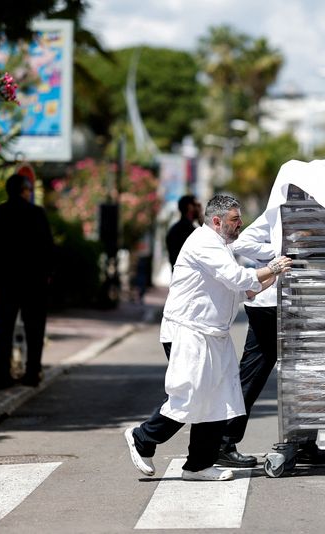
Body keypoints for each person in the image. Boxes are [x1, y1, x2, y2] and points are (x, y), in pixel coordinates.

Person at [124, 195, 291, 482]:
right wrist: (271, 269)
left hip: (213, 334)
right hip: (189, 331)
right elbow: (237, 278)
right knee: (189, 395)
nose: (240, 225)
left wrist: (263, 281)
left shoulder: (220, 247)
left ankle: (199, 465)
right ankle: (143, 437)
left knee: (221, 398)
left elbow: (235, 290)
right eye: (235, 220)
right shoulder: (202, 242)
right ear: (217, 221)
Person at [216, 211, 325, 468]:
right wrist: (286, 249)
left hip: (302, 304)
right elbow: (242, 243)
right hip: (269, 305)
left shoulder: (324, 218)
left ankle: (303, 442)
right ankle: (223, 441)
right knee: (254, 372)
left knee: (305, 375)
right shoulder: (279, 211)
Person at [0, 173, 54, 388]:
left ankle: (2, 375)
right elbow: (48, 249)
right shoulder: (37, 214)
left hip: (3, 282)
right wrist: (48, 275)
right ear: (25, 191)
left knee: (3, 328)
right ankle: (32, 373)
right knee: (35, 329)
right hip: (34, 283)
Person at [166, 194, 202, 269]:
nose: (200, 208)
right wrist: (202, 222)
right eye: (197, 205)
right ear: (190, 207)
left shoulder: (173, 230)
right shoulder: (193, 232)